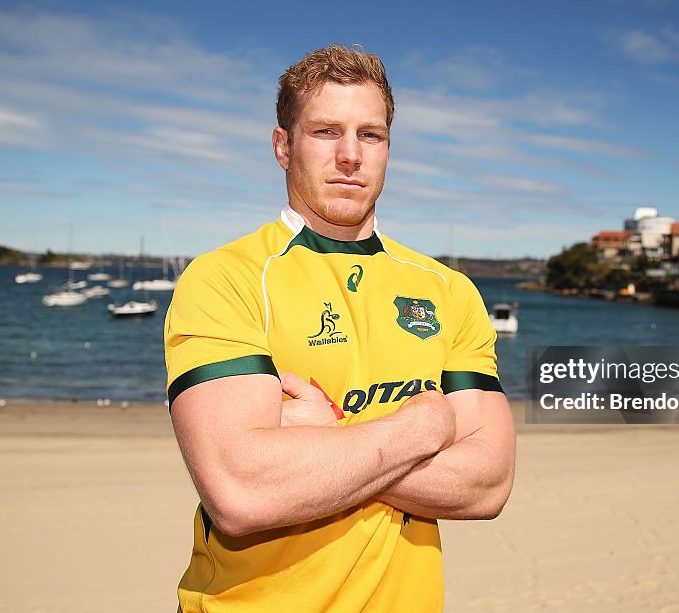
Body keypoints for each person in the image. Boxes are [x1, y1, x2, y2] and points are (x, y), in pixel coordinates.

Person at [164, 44, 516, 612]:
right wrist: (422, 429)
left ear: (387, 149)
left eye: (370, 135)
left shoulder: (449, 291)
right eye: (326, 131)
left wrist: (319, 439)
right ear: (283, 146)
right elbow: (240, 490)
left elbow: (489, 482)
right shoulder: (227, 279)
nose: (350, 156)